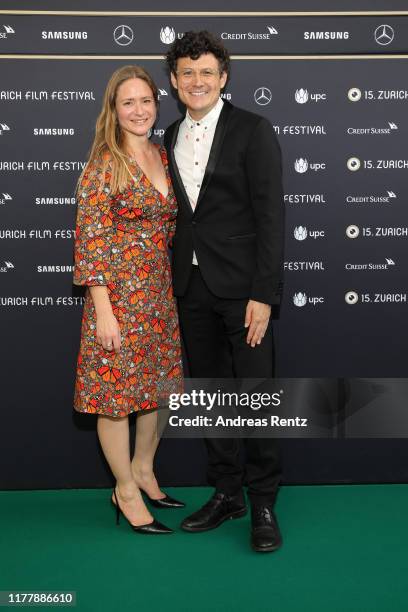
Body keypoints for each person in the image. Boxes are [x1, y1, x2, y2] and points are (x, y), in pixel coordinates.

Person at [164, 31, 285, 552]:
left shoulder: (253, 130)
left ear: (224, 77)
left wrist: (264, 292)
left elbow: (271, 216)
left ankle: (262, 502)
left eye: (206, 72)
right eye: (187, 72)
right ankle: (226, 491)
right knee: (212, 397)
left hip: (243, 293)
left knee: (255, 399)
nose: (197, 81)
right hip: (190, 288)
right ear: (174, 80)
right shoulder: (167, 135)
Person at [73, 65, 184, 535]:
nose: (139, 110)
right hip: (117, 300)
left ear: (156, 105)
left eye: (145, 101)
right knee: (115, 400)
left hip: (158, 295)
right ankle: (124, 489)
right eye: (128, 103)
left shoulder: (161, 154)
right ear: (114, 111)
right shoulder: (105, 164)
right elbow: (91, 240)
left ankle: (144, 469)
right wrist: (104, 311)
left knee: (158, 392)